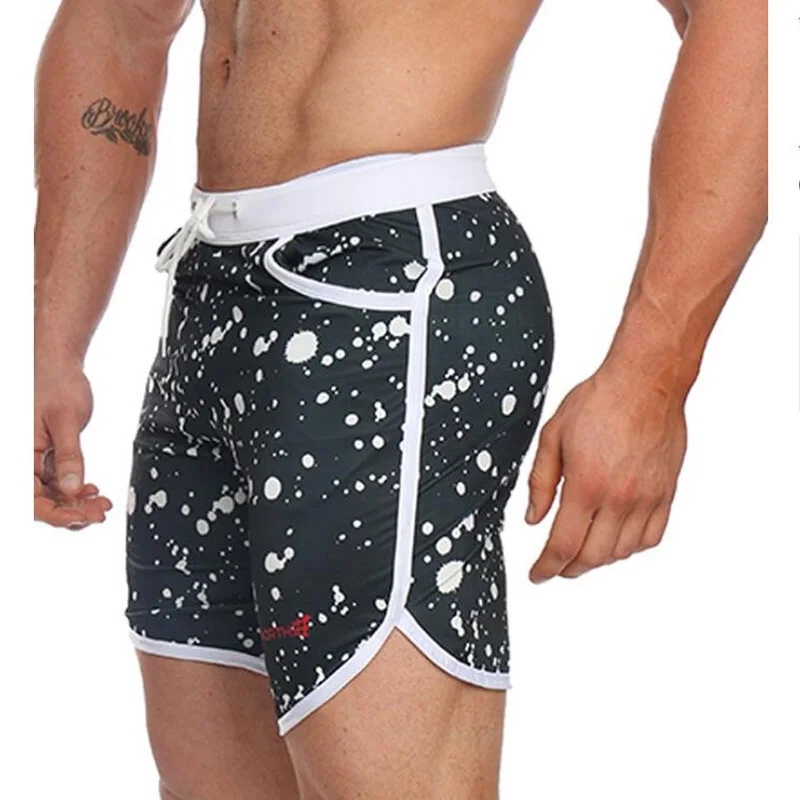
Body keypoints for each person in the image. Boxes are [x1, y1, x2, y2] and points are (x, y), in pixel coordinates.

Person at [33, 0, 766, 798]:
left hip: (390, 295)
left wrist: (652, 376)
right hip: (206, 296)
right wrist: (50, 343)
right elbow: (120, 23)